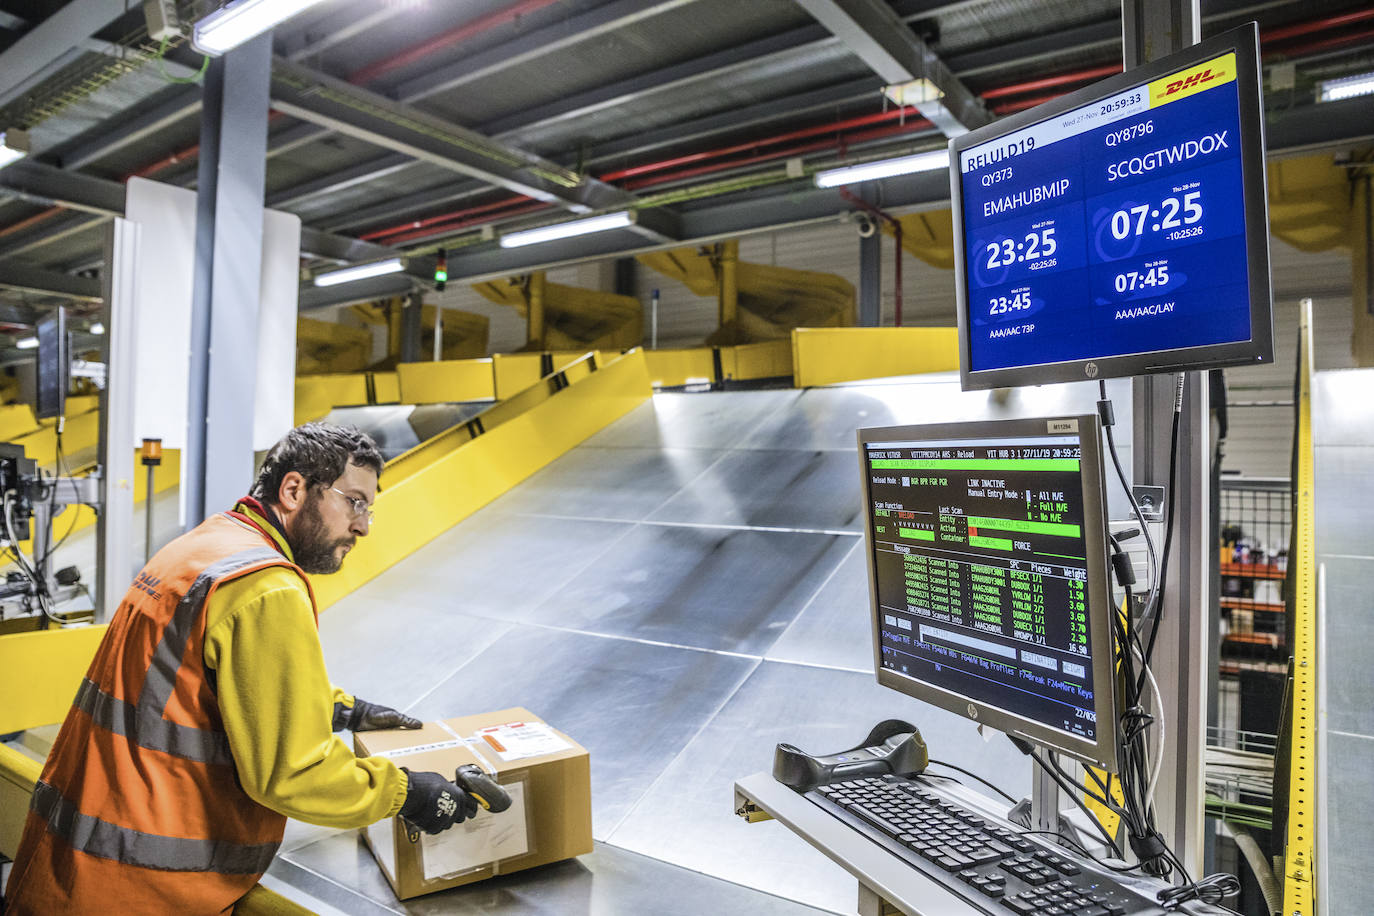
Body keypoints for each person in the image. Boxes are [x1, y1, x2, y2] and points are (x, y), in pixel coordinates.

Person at [4, 422, 474, 914]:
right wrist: (409, 793)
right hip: (144, 886)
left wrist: (343, 710)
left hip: (67, 859)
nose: (363, 526)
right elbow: (294, 773)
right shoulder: (266, 588)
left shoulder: (204, 549)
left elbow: (189, 681)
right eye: (355, 501)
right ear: (293, 490)